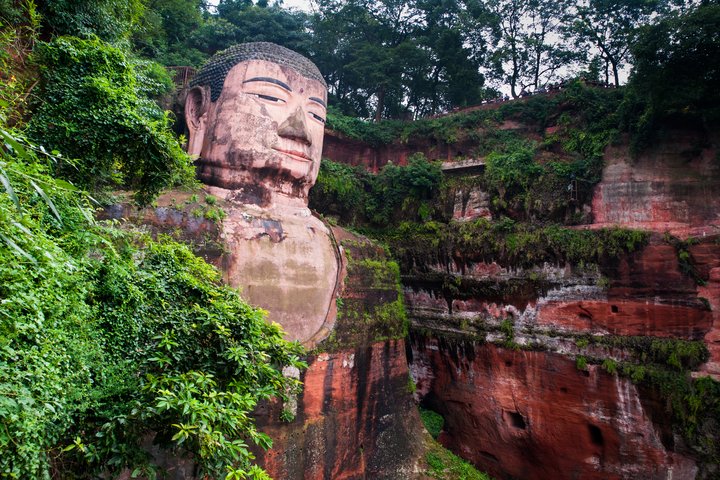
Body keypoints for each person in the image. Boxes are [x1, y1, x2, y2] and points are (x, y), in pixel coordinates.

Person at [184, 43, 339, 345]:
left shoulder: (357, 253)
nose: (300, 130)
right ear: (198, 111)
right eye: (269, 97)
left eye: (316, 116)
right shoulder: (148, 225)